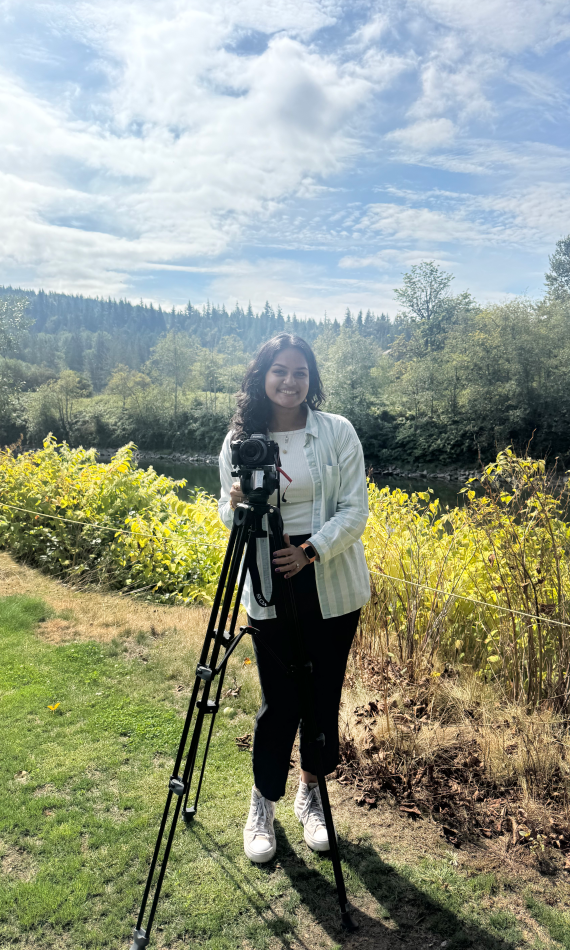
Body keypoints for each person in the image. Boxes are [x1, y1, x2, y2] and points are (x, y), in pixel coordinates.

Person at [217, 332, 370, 864]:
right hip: (267, 581)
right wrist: (235, 505)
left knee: (322, 696)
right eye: (279, 370)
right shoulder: (241, 439)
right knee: (279, 702)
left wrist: (309, 550)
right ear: (262, 377)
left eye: (300, 372)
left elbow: (355, 509)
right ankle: (263, 803)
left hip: (330, 582)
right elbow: (225, 512)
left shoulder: (337, 432)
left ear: (312, 379)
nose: (290, 381)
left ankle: (312, 793)